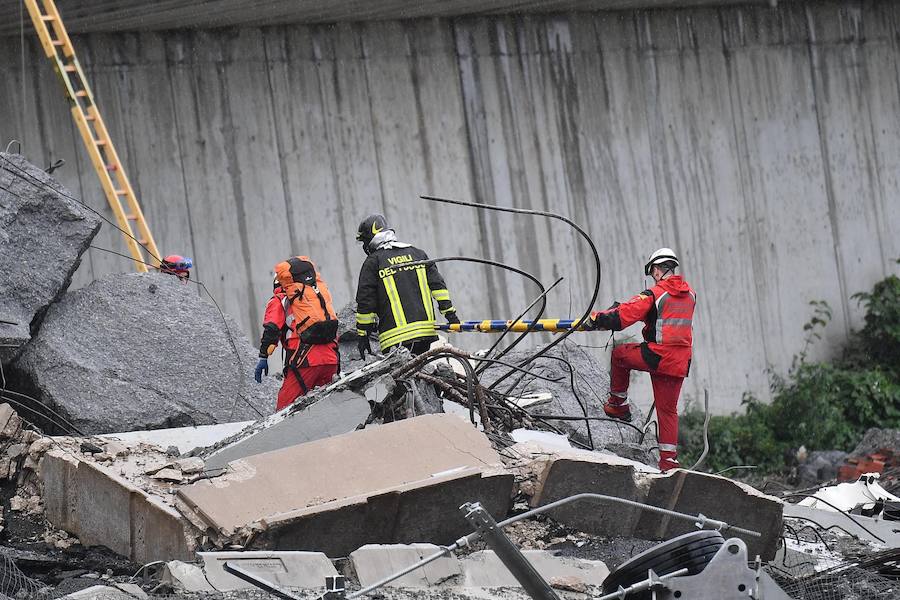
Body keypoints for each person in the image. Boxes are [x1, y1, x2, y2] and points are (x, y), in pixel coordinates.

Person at [583, 248, 696, 472]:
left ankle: (617, 405)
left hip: (659, 355)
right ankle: (669, 462)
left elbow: (625, 315)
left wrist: (598, 318)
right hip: (680, 361)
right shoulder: (691, 294)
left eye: (652, 271)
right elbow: (660, 318)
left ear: (655, 269)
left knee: (619, 355)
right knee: (668, 411)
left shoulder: (655, 293)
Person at [354, 214, 460, 357]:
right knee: (420, 371)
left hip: (394, 338)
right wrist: (451, 315)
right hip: (425, 333)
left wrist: (363, 334)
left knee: (404, 377)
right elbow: (439, 288)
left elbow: (366, 301)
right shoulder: (418, 254)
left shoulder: (373, 262)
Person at [255, 257, 339, 411]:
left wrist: (263, 357)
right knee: (327, 408)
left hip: (305, 361)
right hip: (331, 358)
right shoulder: (316, 295)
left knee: (284, 410)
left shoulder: (280, 300)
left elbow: (272, 330)